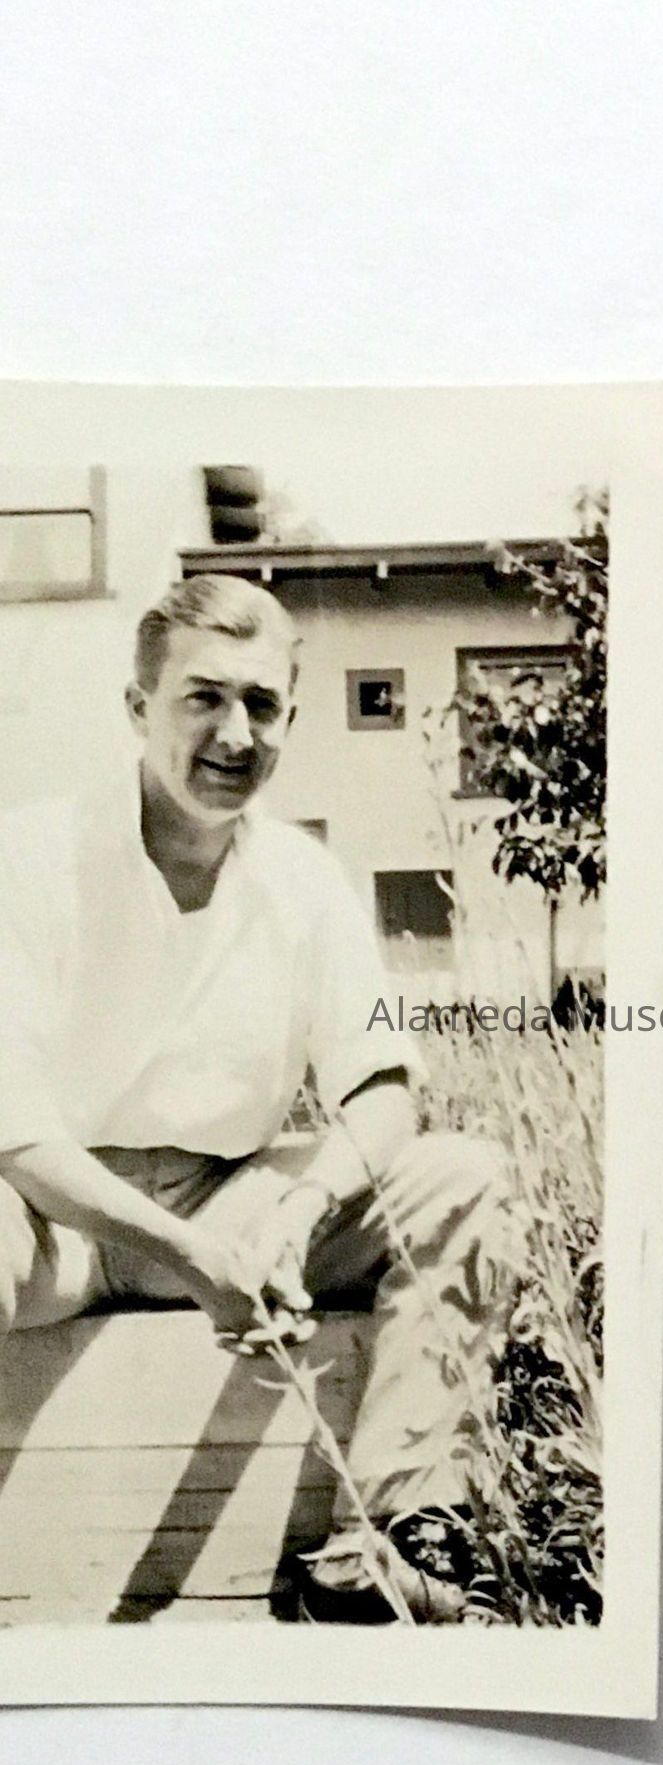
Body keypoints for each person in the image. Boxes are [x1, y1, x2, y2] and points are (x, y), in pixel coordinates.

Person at [0, 574, 515, 1621]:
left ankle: (391, 1544)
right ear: (139, 707)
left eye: (262, 704)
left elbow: (382, 1085)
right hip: (54, 1216)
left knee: (463, 1176)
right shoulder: (32, 853)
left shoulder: (304, 879)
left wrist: (301, 1206)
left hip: (230, 1199)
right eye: (203, 698)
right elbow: (14, 1130)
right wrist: (193, 1260)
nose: (235, 735)